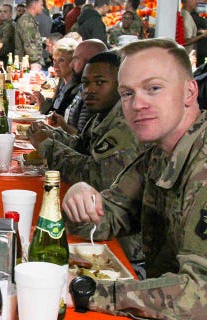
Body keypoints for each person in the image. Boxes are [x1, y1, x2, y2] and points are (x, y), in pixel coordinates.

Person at [62, 38, 207, 319]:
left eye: (153, 88)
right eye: (127, 93)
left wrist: (91, 292)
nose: (137, 104)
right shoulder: (161, 152)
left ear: (189, 92)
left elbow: (200, 295)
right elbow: (107, 217)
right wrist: (79, 197)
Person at [28, 51, 142, 194]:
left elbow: (97, 178)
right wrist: (51, 134)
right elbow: (82, 146)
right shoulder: (103, 115)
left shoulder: (127, 123)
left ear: (122, 85)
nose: (90, 90)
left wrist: (48, 146)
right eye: (86, 83)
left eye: (100, 82)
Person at [60, 39, 108, 133]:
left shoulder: (93, 95)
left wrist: (63, 126)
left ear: (91, 61)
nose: (71, 65)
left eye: (76, 59)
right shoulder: (81, 87)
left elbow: (83, 140)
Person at [31, 38, 79, 115]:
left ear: (73, 62)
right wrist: (40, 100)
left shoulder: (76, 88)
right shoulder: (62, 80)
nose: (55, 65)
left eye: (61, 60)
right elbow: (53, 110)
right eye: (54, 60)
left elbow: (59, 117)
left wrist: (43, 103)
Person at [15, 0, 44, 70]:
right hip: (29, 65)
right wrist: (36, 62)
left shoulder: (29, 19)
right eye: (41, 5)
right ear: (34, 5)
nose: (42, 7)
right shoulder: (27, 21)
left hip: (28, 63)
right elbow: (30, 45)